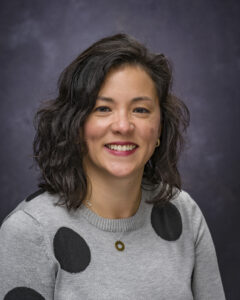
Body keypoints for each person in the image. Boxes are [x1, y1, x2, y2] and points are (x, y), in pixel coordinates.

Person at [0, 33, 225, 300]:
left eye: (140, 110)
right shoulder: (30, 230)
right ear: (76, 125)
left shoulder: (185, 213)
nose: (123, 126)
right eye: (103, 109)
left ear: (160, 128)